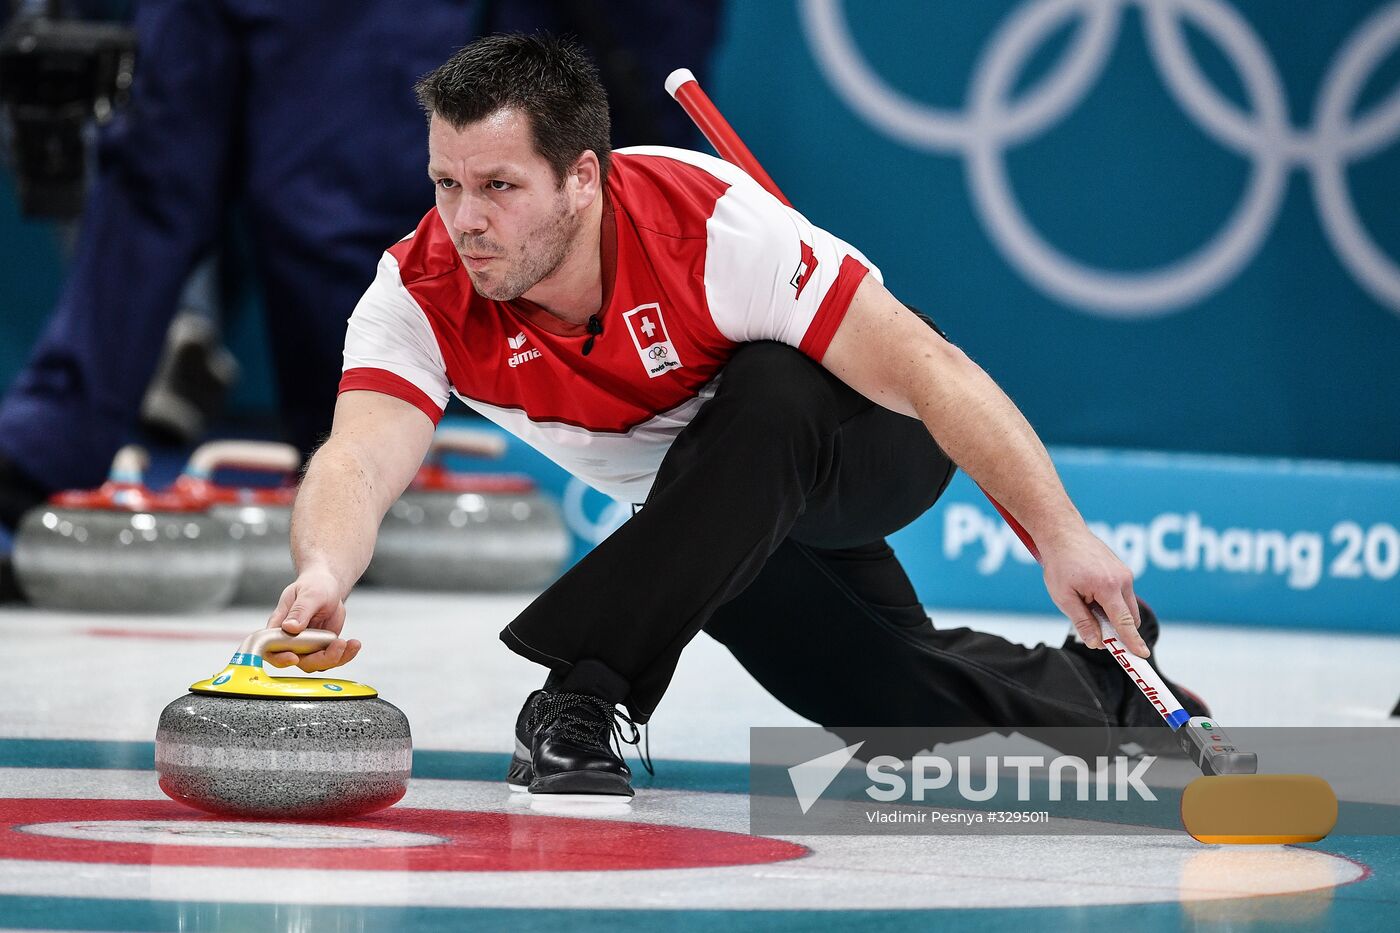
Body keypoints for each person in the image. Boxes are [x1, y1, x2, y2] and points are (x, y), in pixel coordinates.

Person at [268, 34, 1208, 799]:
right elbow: (358, 457)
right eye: (446, 184)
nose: (465, 219)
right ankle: (1101, 697)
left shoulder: (710, 229)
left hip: (863, 445)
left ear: (583, 178)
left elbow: (928, 371)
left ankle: (582, 692)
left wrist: (1062, 537)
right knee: (895, 708)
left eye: (499, 187)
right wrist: (323, 567)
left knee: (770, 388)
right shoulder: (420, 291)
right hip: (710, 516)